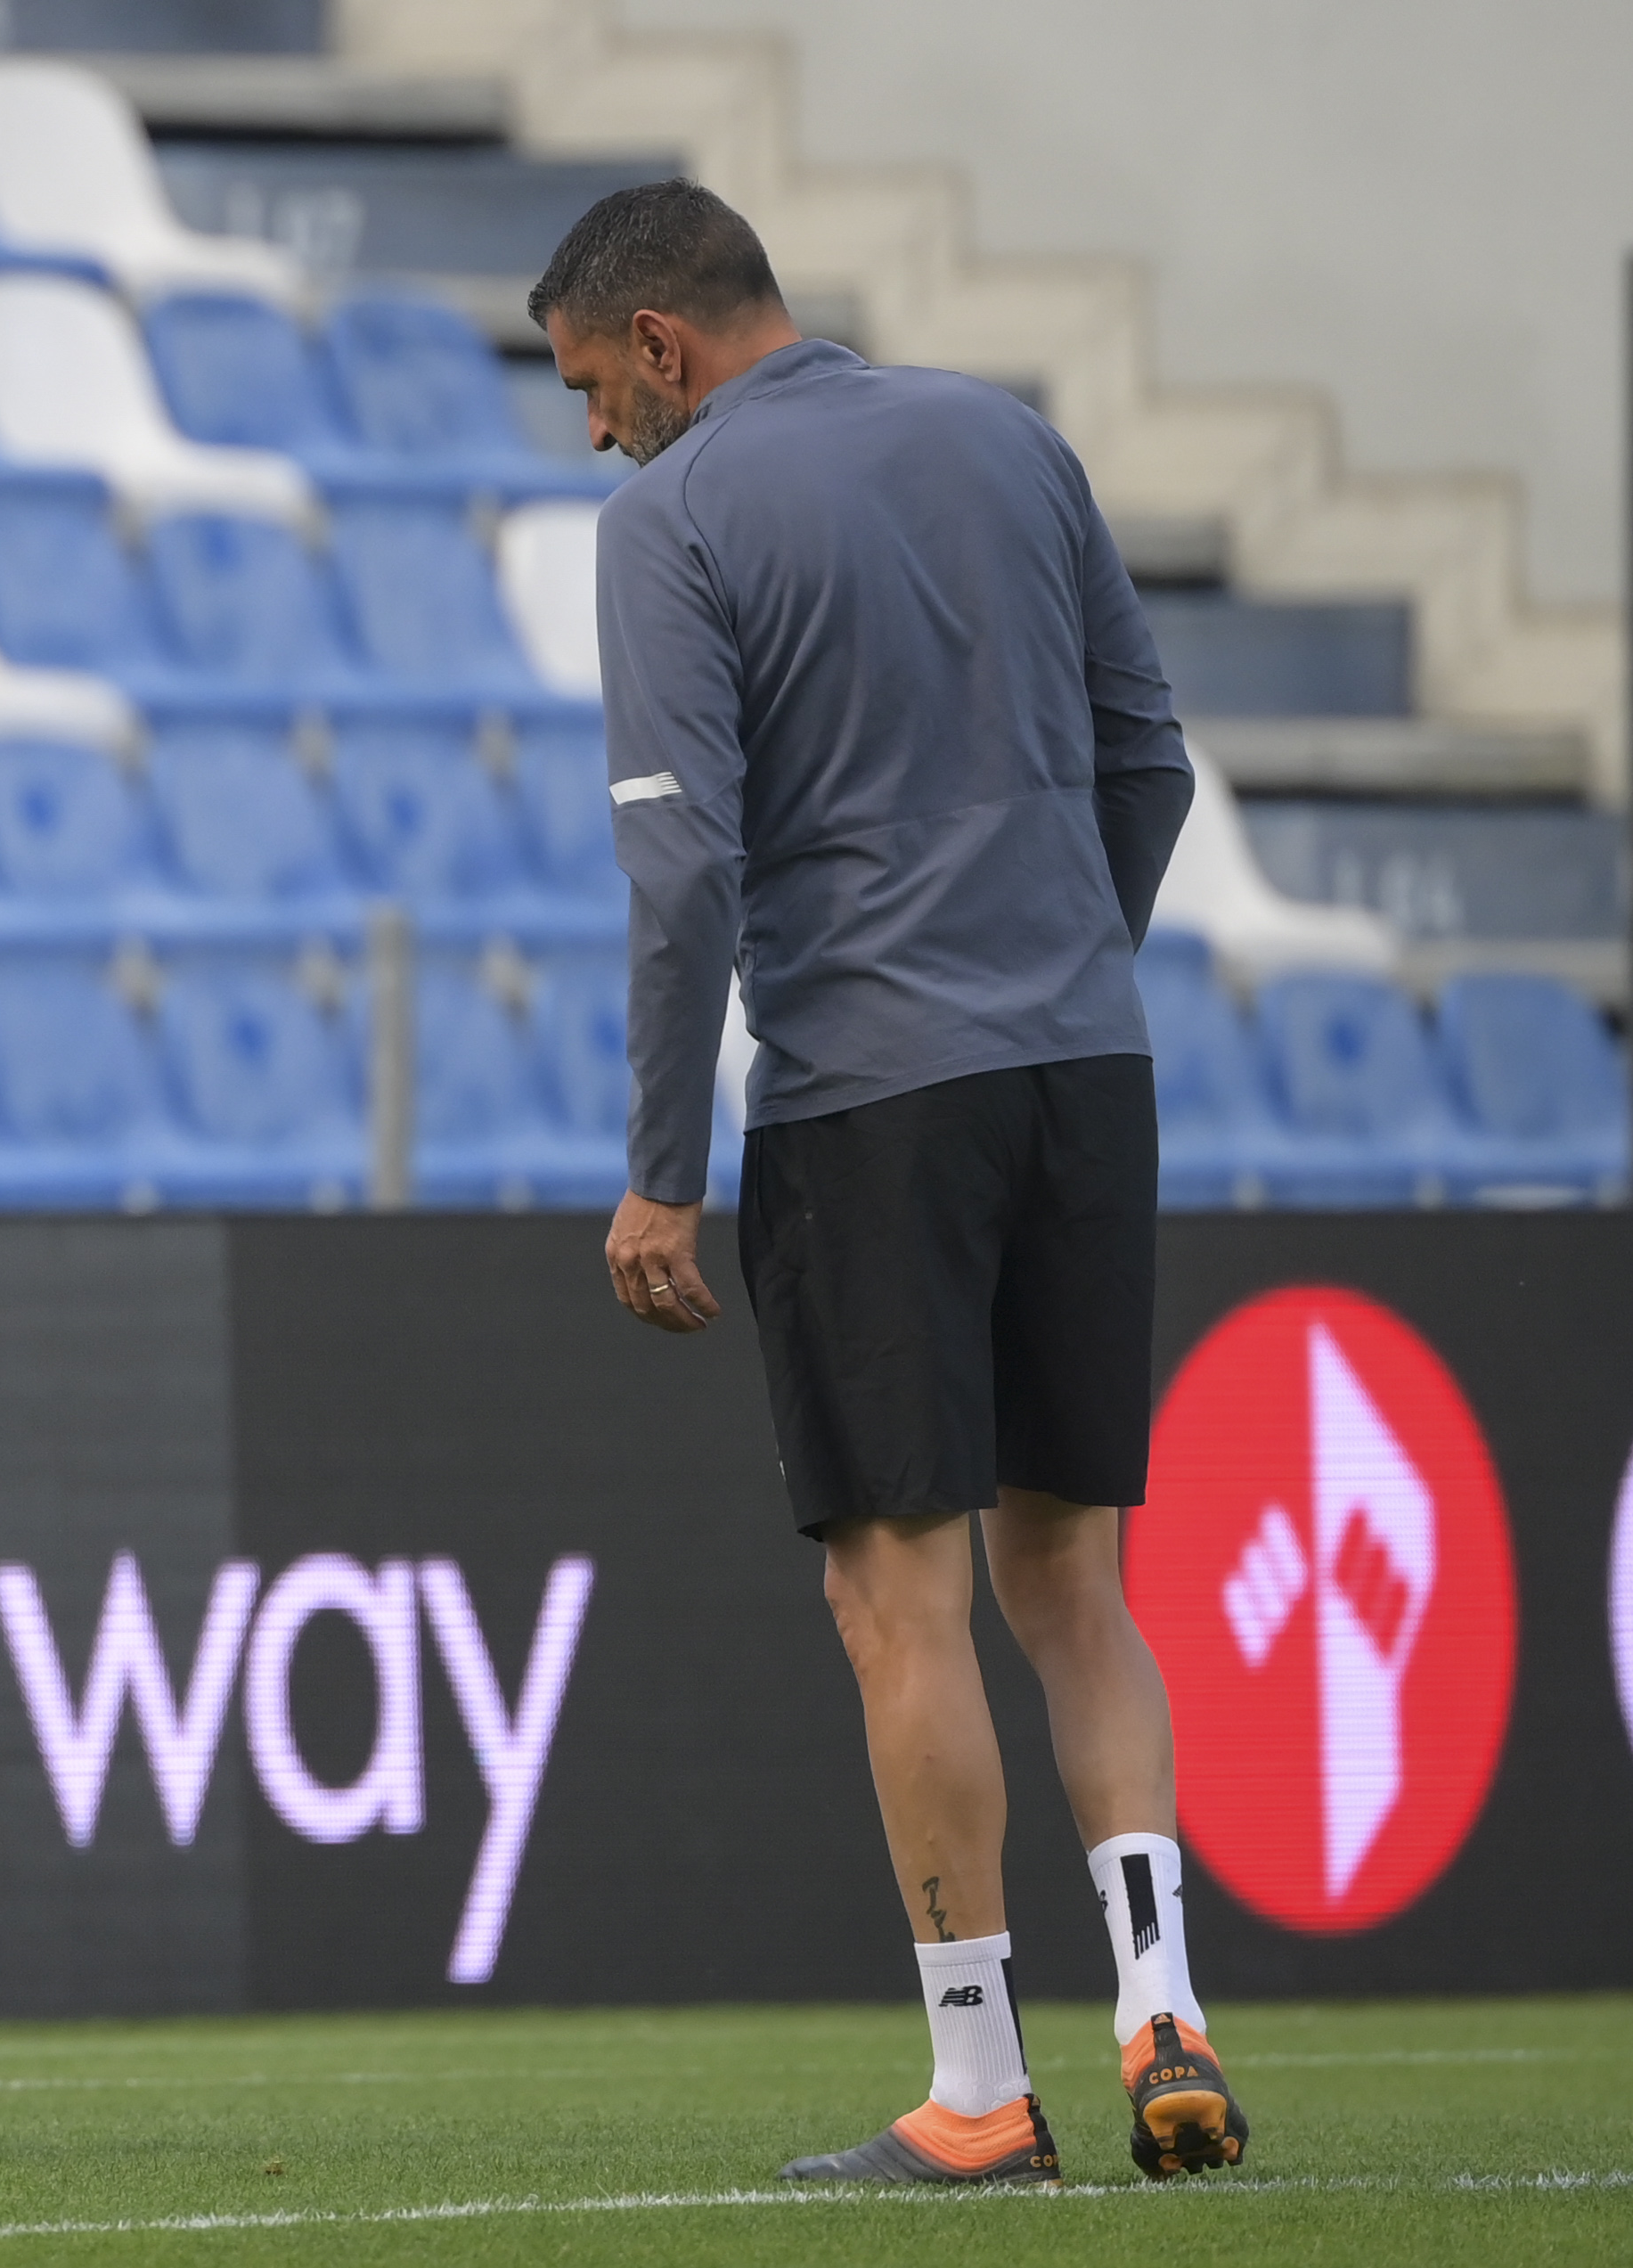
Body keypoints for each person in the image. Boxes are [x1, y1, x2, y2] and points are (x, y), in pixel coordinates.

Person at [535, 182, 1243, 2187]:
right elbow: (1151, 762)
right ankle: (1162, 2006)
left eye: (592, 385)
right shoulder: (1013, 438)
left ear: (661, 348)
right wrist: (1061, 970)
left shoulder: (667, 522)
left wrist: (661, 1175)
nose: (591, 428)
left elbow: (681, 868)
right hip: (1084, 1071)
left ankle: (980, 2089)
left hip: (870, 1093)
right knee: (1072, 1581)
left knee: (894, 1599)